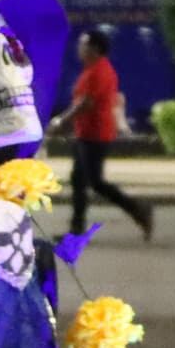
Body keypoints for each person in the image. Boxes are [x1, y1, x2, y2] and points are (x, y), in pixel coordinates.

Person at [56, 24, 153, 240]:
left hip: (95, 134)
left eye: (83, 44)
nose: (78, 48)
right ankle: (76, 229)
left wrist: (63, 120)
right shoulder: (91, 70)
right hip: (86, 132)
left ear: (94, 48)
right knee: (79, 180)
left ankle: (138, 209)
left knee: (95, 182)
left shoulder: (99, 71)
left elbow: (86, 103)